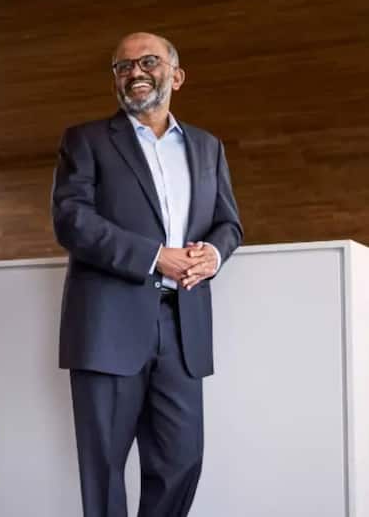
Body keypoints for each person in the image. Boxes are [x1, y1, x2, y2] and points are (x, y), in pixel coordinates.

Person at [51, 32, 243, 517]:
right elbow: (72, 221)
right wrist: (155, 256)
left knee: (182, 462)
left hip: (183, 326)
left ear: (176, 76)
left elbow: (228, 223)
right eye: (123, 66)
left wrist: (213, 255)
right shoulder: (86, 141)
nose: (135, 72)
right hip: (108, 326)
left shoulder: (207, 147)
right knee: (104, 470)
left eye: (148, 62)